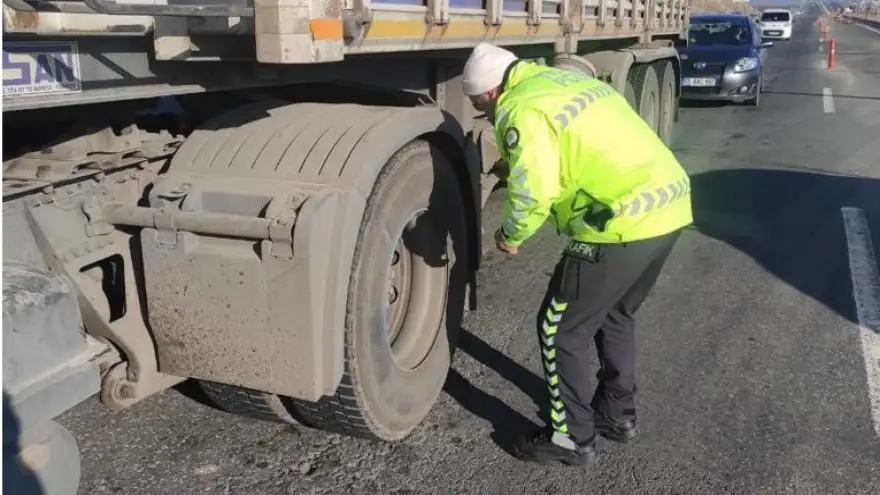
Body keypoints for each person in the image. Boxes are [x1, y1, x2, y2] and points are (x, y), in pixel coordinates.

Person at [461, 43, 693, 466]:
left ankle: (570, 439)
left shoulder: (521, 108)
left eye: (481, 107)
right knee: (615, 315)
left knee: (559, 329)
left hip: (619, 220)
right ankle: (616, 415)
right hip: (668, 205)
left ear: (491, 93)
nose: (487, 115)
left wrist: (510, 235)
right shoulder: (561, 79)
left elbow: (534, 190)